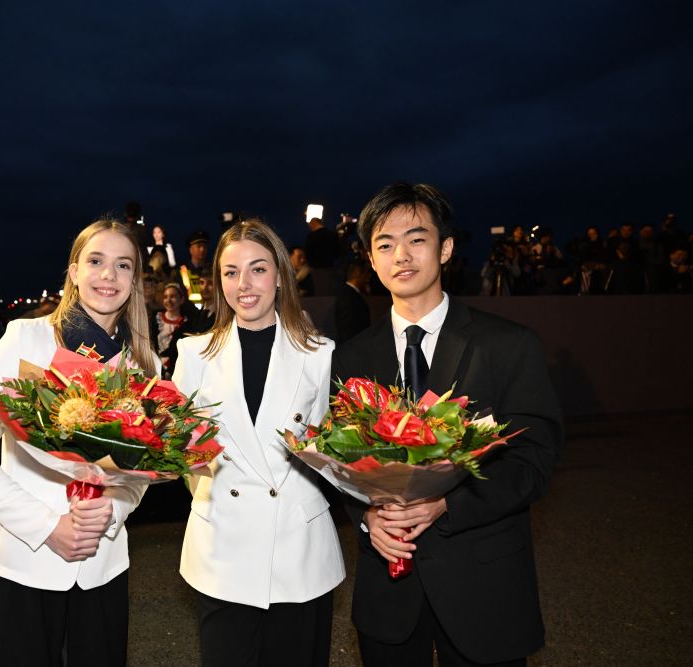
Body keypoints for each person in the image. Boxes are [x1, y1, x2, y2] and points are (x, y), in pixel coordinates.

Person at [334, 182, 562, 666]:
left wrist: (447, 504)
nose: (401, 255)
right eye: (384, 244)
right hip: (389, 593)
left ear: (446, 248)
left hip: (484, 585)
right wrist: (366, 518)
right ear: (371, 261)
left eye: (416, 239)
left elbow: (533, 462)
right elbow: (339, 463)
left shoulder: (508, 345)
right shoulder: (350, 357)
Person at [0, 218, 155, 666]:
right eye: (96, 261)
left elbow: (141, 468)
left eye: (123, 265)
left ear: (135, 280)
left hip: (101, 565)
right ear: (74, 272)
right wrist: (47, 527)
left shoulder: (143, 362)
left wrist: (112, 510)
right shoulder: (26, 338)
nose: (109, 275)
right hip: (23, 558)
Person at [173, 219, 344, 666]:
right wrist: (204, 492)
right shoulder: (194, 354)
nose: (244, 284)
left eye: (258, 269)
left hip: (299, 550)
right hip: (222, 548)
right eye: (231, 272)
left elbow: (333, 451)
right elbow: (180, 450)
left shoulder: (320, 353)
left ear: (280, 275)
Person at [148, 282, 190, 377]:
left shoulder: (187, 324)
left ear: (181, 300)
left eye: (173, 296)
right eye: (165, 297)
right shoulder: (155, 319)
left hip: (177, 370)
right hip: (154, 367)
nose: (168, 300)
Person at [334, 259, 371, 342]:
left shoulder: (349, 294)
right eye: (366, 274)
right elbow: (347, 330)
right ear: (358, 273)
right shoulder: (348, 297)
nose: (368, 279)